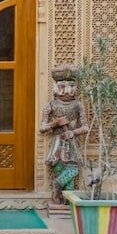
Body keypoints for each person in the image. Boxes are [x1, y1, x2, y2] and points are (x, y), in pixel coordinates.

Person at [39, 65, 89, 205]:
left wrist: (73, 132)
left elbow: (85, 127)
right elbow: (42, 128)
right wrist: (55, 123)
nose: (66, 91)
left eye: (71, 86)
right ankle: (61, 201)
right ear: (56, 87)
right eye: (62, 86)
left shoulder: (78, 105)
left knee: (73, 171)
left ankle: (62, 193)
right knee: (61, 171)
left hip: (72, 145)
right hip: (57, 146)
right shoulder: (51, 105)